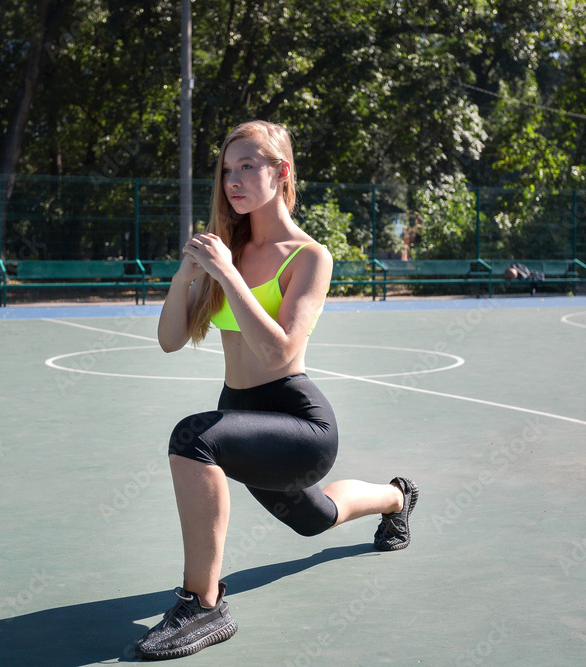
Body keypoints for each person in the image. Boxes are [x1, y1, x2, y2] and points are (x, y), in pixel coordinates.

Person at [134, 120, 418, 660]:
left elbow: (280, 353)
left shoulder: (308, 256)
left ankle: (204, 602)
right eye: (225, 169)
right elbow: (170, 340)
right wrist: (184, 278)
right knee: (315, 520)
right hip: (241, 414)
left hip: (298, 425)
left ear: (281, 171)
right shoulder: (227, 247)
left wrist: (228, 275)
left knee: (193, 438)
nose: (232, 180)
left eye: (247, 166)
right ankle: (397, 496)